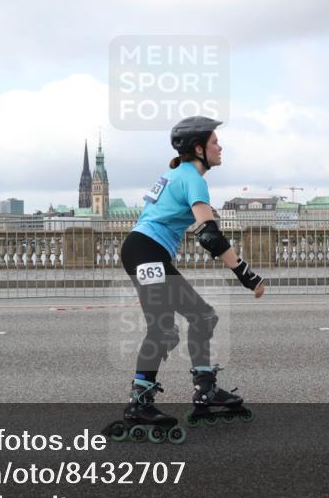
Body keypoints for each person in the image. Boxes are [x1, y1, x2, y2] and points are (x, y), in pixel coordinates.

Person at [108, 116, 265, 442]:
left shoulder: (177, 174)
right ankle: (139, 403)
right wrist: (246, 275)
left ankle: (205, 391)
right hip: (145, 252)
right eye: (214, 142)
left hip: (145, 251)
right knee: (163, 329)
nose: (220, 147)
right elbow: (209, 237)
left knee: (202, 317)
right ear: (198, 148)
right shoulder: (192, 177)